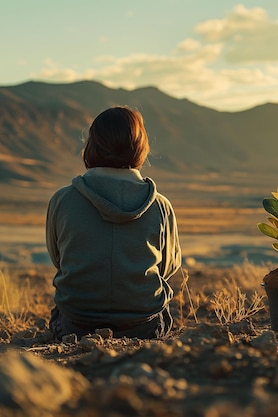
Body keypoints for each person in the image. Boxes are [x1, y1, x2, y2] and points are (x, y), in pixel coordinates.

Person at [46, 106, 182, 340]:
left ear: (92, 146)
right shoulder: (160, 205)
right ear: (140, 147)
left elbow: (59, 259)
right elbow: (168, 268)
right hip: (144, 326)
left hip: (76, 326)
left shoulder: (62, 199)